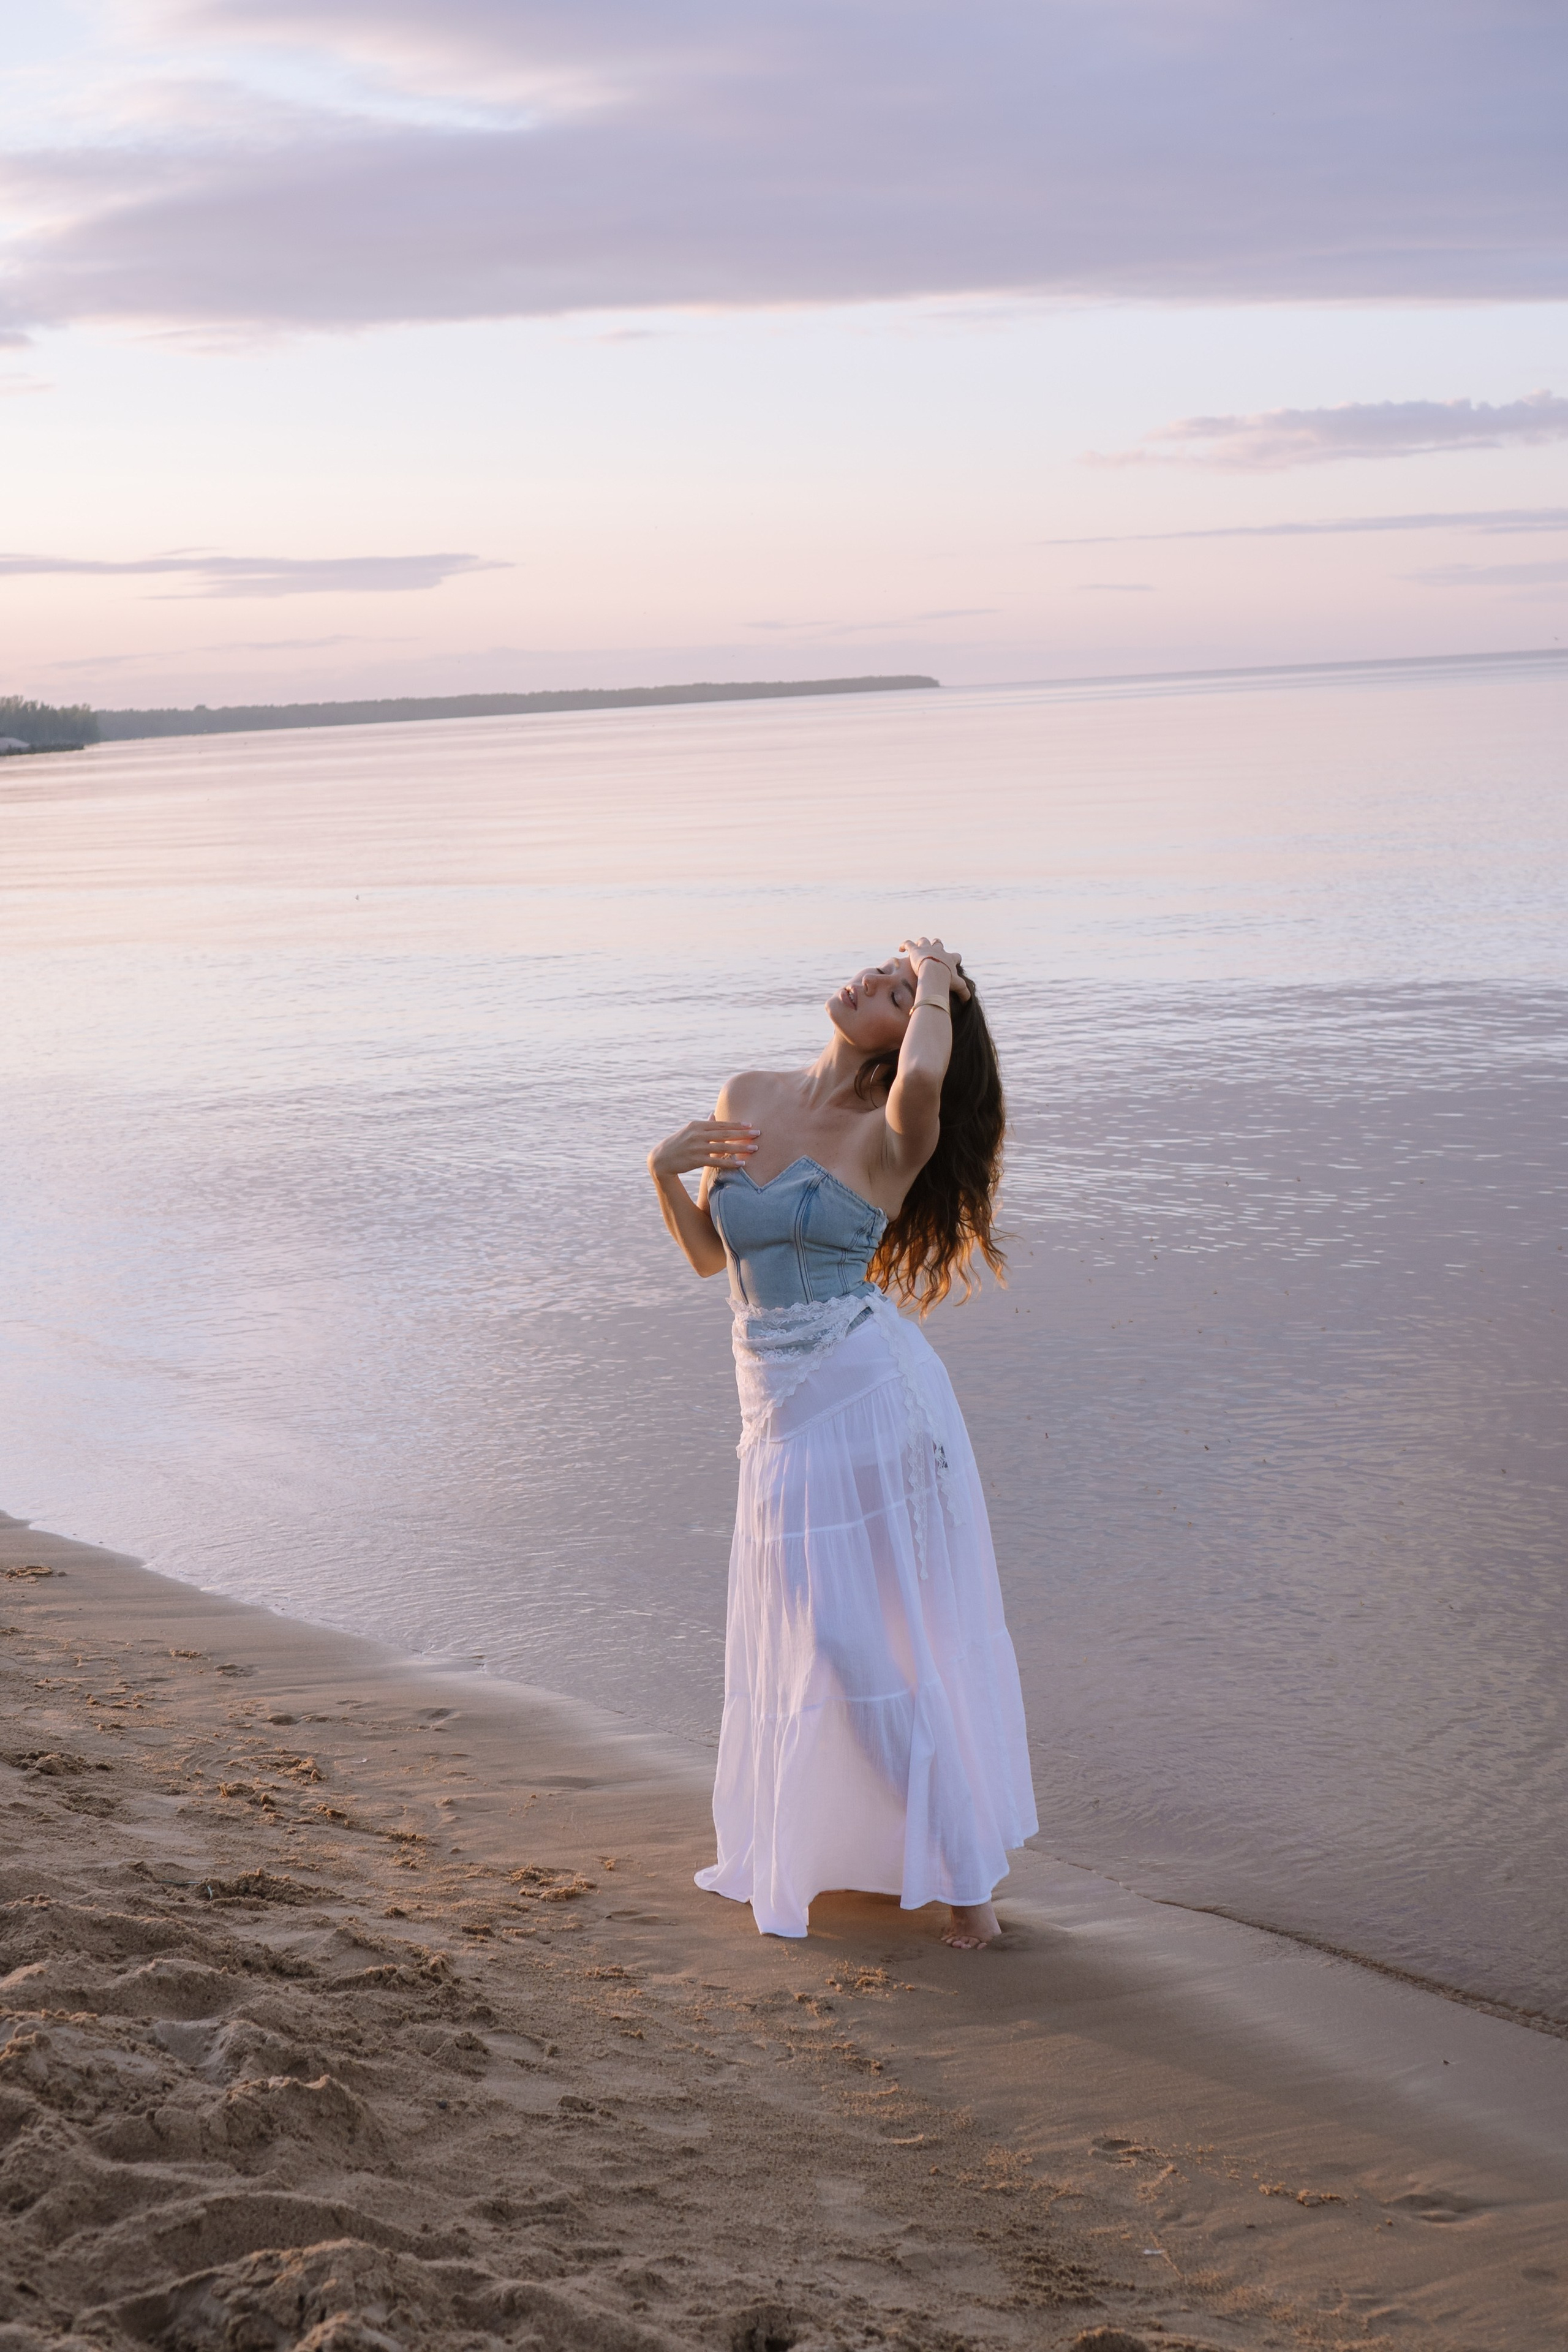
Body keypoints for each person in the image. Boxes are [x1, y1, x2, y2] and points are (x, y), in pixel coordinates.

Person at [647, 937, 1036, 1949]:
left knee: (856, 1639)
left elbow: (922, 1074)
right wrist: (660, 1171)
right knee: (833, 1636)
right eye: (881, 972)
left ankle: (969, 1892)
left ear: (912, 1035)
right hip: (771, 1401)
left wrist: (942, 989)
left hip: (863, 1397)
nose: (869, 982)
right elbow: (712, 1261)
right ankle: (921, 1863)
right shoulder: (749, 1094)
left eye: (895, 994)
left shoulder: (896, 1128)